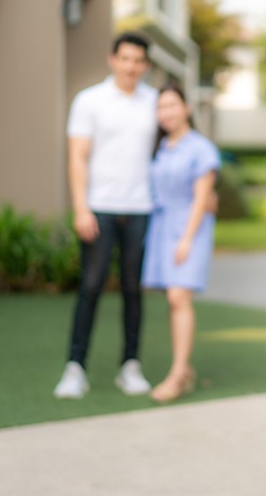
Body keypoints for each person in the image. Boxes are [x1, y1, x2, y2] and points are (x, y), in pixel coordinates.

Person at [54, 32, 157, 399]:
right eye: (125, 58)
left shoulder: (155, 102)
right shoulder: (89, 101)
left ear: (145, 65)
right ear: (113, 59)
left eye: (138, 61)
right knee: (91, 287)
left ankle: (130, 365)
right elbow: (77, 157)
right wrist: (81, 207)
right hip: (99, 209)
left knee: (133, 290)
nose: (131, 66)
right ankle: (74, 367)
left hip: (141, 209)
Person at [141, 83, 220, 403]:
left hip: (191, 227)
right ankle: (183, 369)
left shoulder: (201, 149)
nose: (167, 113)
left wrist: (186, 239)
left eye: (172, 105)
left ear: (186, 108)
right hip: (161, 227)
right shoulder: (160, 148)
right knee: (172, 299)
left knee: (178, 298)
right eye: (161, 107)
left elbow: (203, 199)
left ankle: (177, 375)